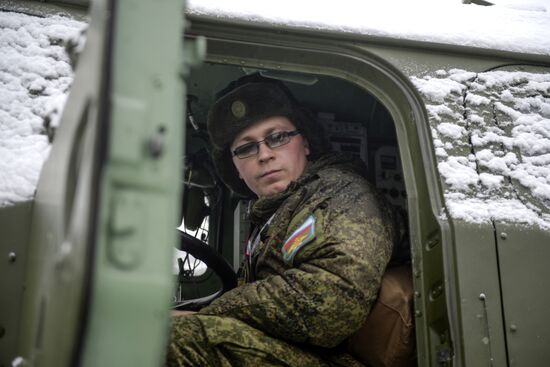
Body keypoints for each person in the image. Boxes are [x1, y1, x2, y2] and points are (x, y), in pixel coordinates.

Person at [166, 75, 400, 366]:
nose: (264, 155)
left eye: (277, 137)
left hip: (336, 359)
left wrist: (210, 315)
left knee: (172, 340)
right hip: (302, 351)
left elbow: (332, 302)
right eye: (246, 148)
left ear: (306, 144)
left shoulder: (341, 193)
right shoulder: (278, 211)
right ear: (236, 168)